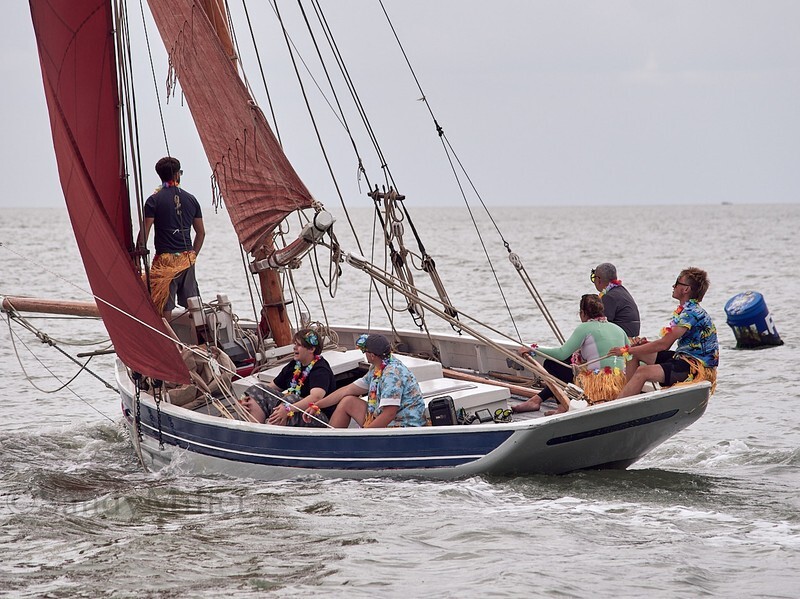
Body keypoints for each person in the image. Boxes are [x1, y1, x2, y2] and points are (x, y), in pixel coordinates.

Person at [609, 267, 719, 398]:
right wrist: (640, 347)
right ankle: (629, 395)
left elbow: (664, 345)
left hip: (694, 367)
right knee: (636, 351)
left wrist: (625, 350)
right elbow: (664, 343)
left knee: (642, 371)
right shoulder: (687, 310)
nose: (673, 285)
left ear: (686, 289)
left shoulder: (691, 313)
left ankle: (621, 403)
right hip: (682, 358)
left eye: (677, 282)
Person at [513, 294, 629, 415]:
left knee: (552, 364)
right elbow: (629, 356)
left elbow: (561, 354)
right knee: (569, 361)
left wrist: (533, 349)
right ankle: (536, 400)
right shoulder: (618, 329)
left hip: (597, 387)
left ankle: (560, 406)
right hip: (619, 384)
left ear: (582, 313)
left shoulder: (585, 327)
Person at [298, 333, 426, 428]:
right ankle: (330, 443)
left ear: (371, 355)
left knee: (353, 404)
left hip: (403, 425)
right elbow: (348, 390)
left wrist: (364, 436)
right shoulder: (377, 368)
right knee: (348, 401)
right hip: (389, 418)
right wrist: (317, 405)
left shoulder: (391, 374)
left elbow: (389, 414)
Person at [138, 157, 205, 319]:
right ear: (176, 175)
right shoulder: (192, 199)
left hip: (164, 261)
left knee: (163, 304)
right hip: (186, 259)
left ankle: (168, 342)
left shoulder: (153, 201)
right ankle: (202, 340)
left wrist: (137, 256)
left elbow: (144, 233)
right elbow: (201, 233)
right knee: (193, 303)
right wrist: (193, 255)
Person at [240, 329, 335, 426]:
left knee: (290, 399)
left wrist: (288, 408)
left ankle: (270, 432)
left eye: (299, 345)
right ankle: (256, 430)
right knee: (257, 389)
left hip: (316, 416)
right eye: (295, 344)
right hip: (293, 408)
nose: (294, 348)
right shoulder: (294, 365)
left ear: (311, 349)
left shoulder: (320, 369)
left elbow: (316, 397)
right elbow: (269, 388)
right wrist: (245, 398)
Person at [591, 263, 640, 338]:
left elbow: (600, 326)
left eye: (594, 278)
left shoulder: (608, 297)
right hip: (630, 334)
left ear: (598, 280)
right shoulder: (621, 290)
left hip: (623, 337)